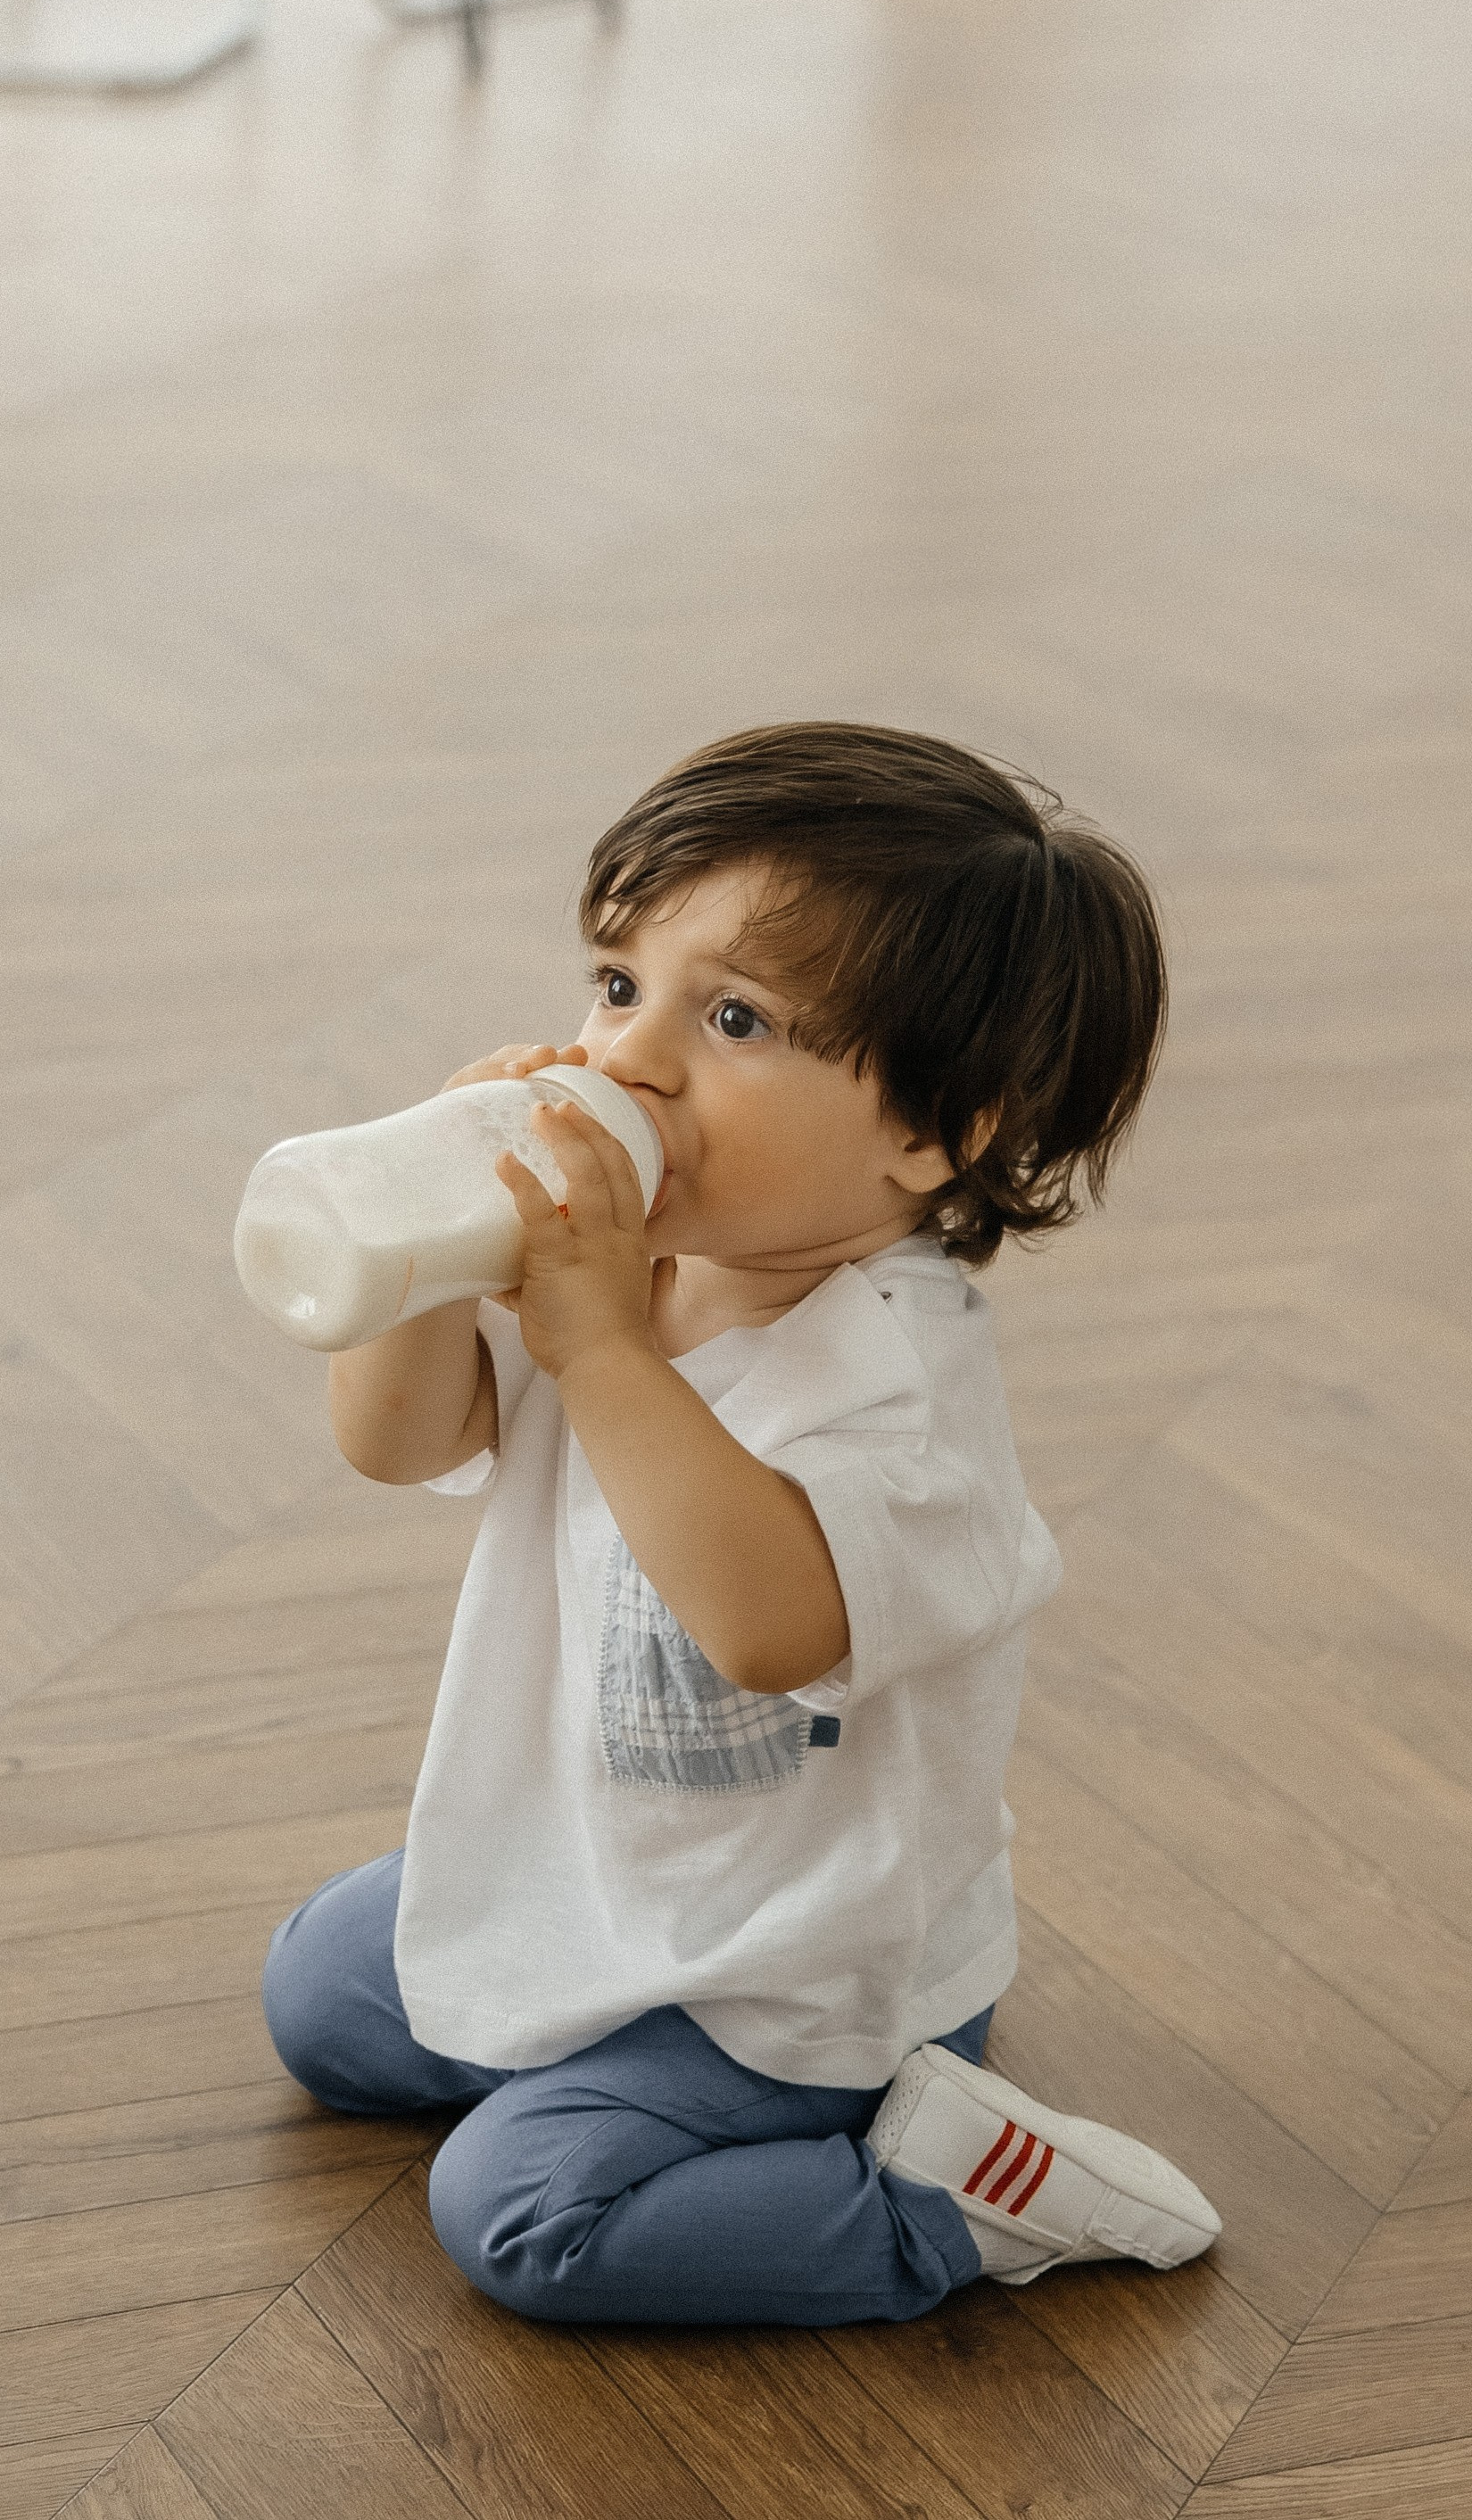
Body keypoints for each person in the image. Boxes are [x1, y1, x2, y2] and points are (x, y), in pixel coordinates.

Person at [261, 722, 1220, 2326]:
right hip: (606, 1867)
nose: (627, 1057)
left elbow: (771, 1622)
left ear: (938, 1125)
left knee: (520, 2212)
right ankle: (573, 2008)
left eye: (733, 1019)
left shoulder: (891, 1384)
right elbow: (397, 1439)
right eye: (617, 983)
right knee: (322, 1998)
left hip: (800, 1976)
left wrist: (597, 1346)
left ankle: (943, 2195)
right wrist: (421, 1249)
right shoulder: (625, 1272)